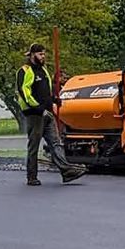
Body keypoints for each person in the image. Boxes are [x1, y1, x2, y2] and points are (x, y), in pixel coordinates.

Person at [15, 43, 84, 186]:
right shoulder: (25, 71)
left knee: (56, 143)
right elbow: (24, 93)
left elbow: (48, 89)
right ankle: (32, 176)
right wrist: (38, 108)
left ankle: (67, 171)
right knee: (34, 145)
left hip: (48, 113)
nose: (43, 56)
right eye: (40, 54)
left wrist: (54, 99)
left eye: (44, 54)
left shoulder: (44, 71)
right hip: (35, 114)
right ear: (33, 55)